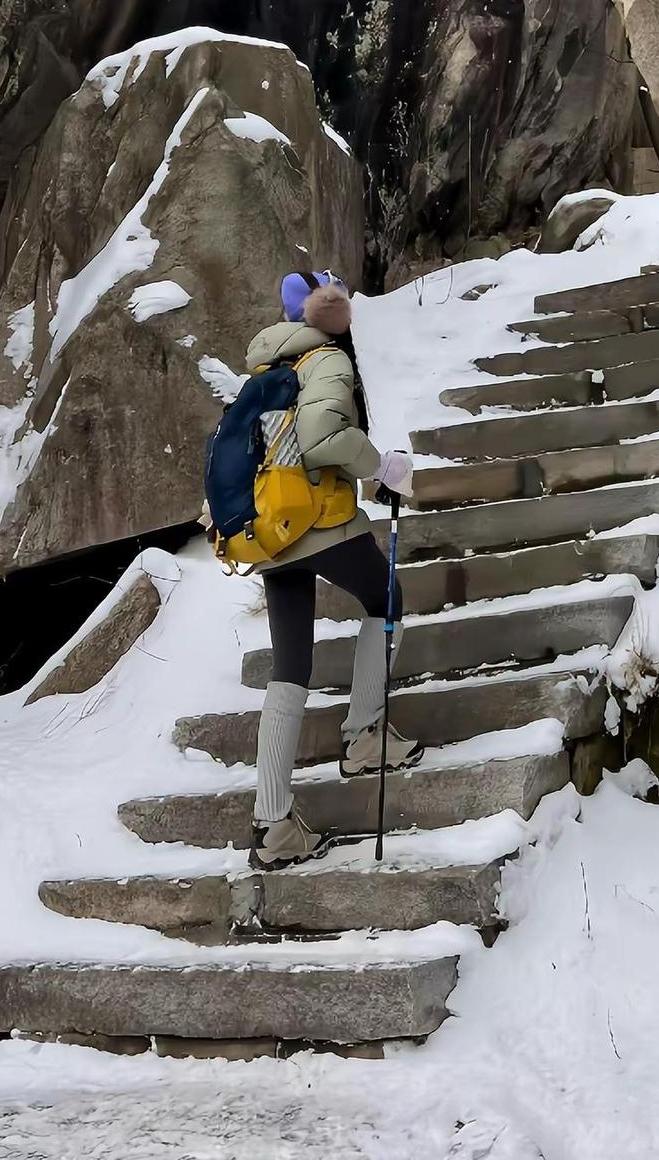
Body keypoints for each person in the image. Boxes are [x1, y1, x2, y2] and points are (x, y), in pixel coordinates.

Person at [246, 271, 419, 871]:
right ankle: (366, 737)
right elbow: (322, 438)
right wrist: (381, 467)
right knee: (387, 598)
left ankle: (271, 826)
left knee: (290, 667)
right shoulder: (325, 359)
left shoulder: (265, 367)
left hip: (271, 530)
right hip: (316, 519)